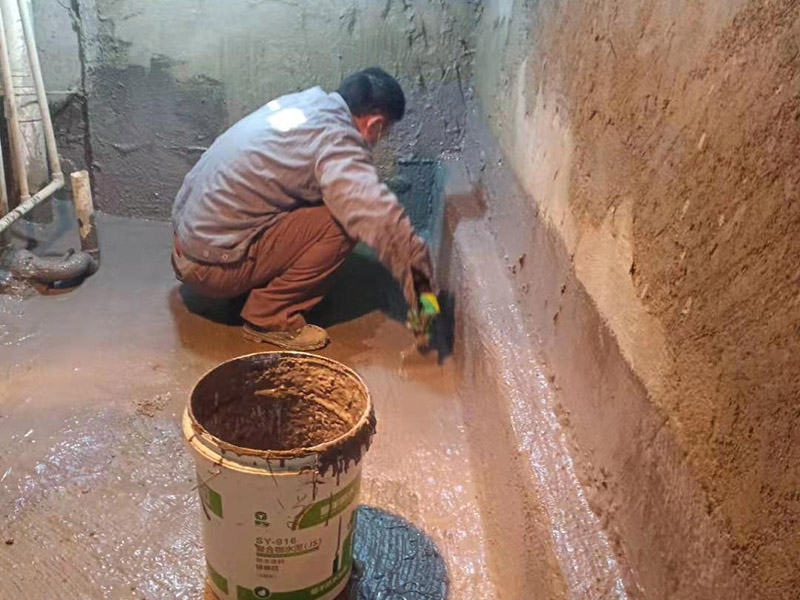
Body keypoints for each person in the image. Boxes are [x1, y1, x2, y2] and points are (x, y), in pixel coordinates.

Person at [171, 67, 434, 351]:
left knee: (323, 200)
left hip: (185, 245)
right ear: (375, 124)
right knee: (342, 225)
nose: (381, 139)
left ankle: (254, 282)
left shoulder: (308, 103)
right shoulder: (338, 143)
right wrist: (427, 301)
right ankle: (269, 317)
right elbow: (387, 227)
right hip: (209, 266)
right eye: (385, 132)